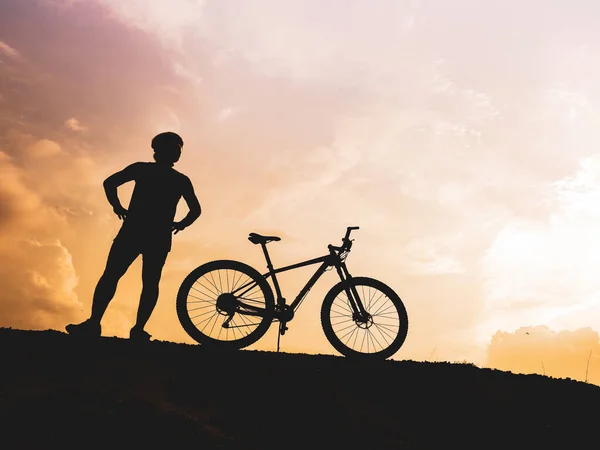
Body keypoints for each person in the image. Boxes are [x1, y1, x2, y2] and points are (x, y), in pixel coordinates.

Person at [66, 131, 201, 341]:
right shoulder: (177, 179)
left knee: (116, 277)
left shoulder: (146, 170)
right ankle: (132, 329)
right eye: (176, 148)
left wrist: (117, 206)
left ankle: (97, 324)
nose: (177, 152)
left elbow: (110, 183)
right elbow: (195, 210)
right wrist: (180, 224)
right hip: (154, 235)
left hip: (136, 231)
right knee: (142, 281)